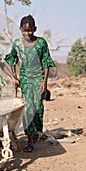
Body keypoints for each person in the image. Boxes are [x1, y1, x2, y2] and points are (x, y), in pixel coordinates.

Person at [5, 15, 56, 152]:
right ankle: (30, 140)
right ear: (21, 29)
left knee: (38, 107)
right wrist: (15, 76)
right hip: (25, 79)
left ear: (35, 29)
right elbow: (12, 59)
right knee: (28, 108)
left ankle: (36, 133)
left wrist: (45, 82)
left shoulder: (41, 43)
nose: (28, 33)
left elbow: (46, 62)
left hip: (39, 77)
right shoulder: (17, 44)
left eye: (30, 30)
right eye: (25, 31)